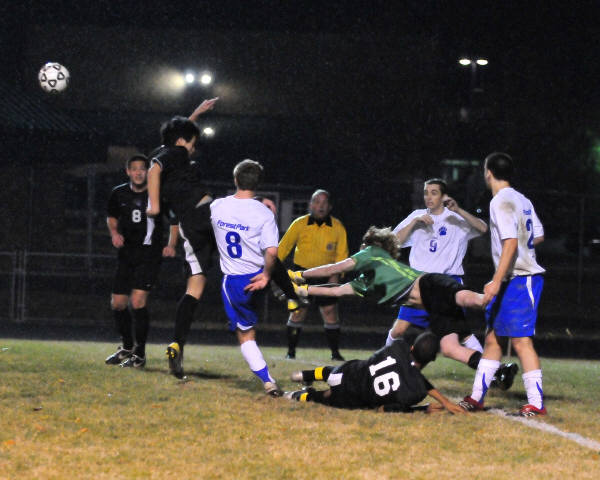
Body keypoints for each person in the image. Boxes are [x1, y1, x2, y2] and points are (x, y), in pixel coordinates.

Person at [387, 179, 518, 386]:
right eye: (426, 192)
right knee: (399, 330)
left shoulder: (456, 218)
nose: (429, 197)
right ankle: (386, 366)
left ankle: (491, 373)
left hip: (447, 284)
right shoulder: (417, 216)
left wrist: (459, 210)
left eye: (434, 193)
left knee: (460, 336)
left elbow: (483, 228)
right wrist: (414, 223)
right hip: (419, 284)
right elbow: (393, 242)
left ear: (444, 196)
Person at [281, 226, 486, 341]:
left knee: (470, 300)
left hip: (429, 284)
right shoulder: (365, 282)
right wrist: (303, 290)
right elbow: (336, 291)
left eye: (363, 245)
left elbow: (334, 269)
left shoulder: (372, 252)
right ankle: (494, 372)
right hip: (429, 304)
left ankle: (490, 299)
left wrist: (300, 274)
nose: (360, 249)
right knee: (453, 344)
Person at [459, 153, 546, 416]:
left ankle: (537, 403)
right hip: (511, 278)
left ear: (488, 173)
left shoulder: (500, 200)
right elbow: (538, 235)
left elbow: (510, 242)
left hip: (520, 279)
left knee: (521, 341)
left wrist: (496, 280)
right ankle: (476, 398)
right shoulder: (522, 199)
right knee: (493, 339)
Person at [146, 98, 218, 378]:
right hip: (206, 214)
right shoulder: (174, 154)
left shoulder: (168, 151)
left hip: (190, 226)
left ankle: (177, 344)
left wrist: (196, 114)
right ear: (180, 142)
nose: (193, 149)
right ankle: (287, 287)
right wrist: (153, 205)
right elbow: (155, 167)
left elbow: (177, 136)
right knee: (252, 221)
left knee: (195, 285)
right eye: (192, 143)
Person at [210, 159, 283, 396]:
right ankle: (289, 294)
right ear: (258, 183)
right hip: (258, 278)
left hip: (235, 281)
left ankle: (267, 380)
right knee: (248, 326)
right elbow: (272, 251)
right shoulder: (264, 213)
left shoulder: (218, 206)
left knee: (245, 335)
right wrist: (267, 276)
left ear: (235, 180)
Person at [105, 154, 178, 368]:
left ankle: (140, 354)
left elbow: (174, 221)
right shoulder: (118, 193)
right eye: (134, 169)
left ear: (148, 172)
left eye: (142, 169)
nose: (138, 172)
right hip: (126, 254)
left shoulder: (158, 194)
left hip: (149, 255)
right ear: (128, 171)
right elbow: (111, 216)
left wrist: (171, 245)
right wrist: (114, 233)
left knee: (137, 302)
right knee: (118, 304)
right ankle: (128, 346)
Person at [284, 331, 465, 414]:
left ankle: (304, 375)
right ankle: (295, 396)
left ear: (412, 347)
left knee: (332, 373)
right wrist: (424, 409)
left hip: (346, 372)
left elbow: (411, 372)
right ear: (431, 360)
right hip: (352, 397)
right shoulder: (415, 391)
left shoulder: (398, 346)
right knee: (323, 397)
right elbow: (386, 409)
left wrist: (444, 400)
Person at [277, 189, 349, 360]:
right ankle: (290, 353)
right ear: (310, 205)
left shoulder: (338, 227)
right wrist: (272, 268)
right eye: (317, 202)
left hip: (327, 276)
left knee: (330, 312)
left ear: (330, 207)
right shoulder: (299, 223)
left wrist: (337, 275)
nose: (320, 206)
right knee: (297, 311)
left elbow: (342, 254)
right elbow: (283, 248)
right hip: (303, 275)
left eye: (324, 203)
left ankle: (335, 354)